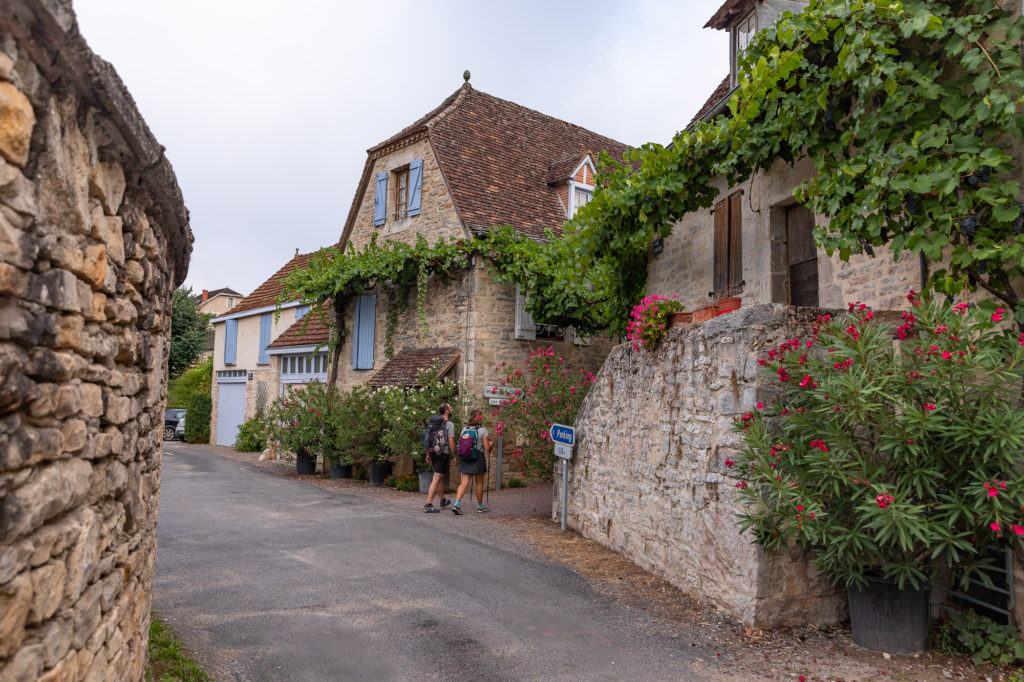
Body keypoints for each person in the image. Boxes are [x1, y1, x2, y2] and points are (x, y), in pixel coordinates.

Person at [451, 409, 492, 515]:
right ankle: (479, 506)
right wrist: (491, 443)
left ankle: (457, 503)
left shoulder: (464, 429)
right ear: (478, 418)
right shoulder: (483, 430)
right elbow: (487, 447)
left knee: (464, 482)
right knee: (479, 483)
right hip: (478, 457)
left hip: (466, 457)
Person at [423, 403, 455, 513]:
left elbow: (429, 438)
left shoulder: (434, 422)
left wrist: (428, 453)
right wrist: (454, 455)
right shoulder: (449, 424)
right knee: (436, 478)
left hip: (433, 452)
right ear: (446, 411)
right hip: (442, 453)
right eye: (450, 408)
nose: (451, 409)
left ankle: (442, 501)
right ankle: (428, 504)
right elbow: (451, 441)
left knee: (439, 477)